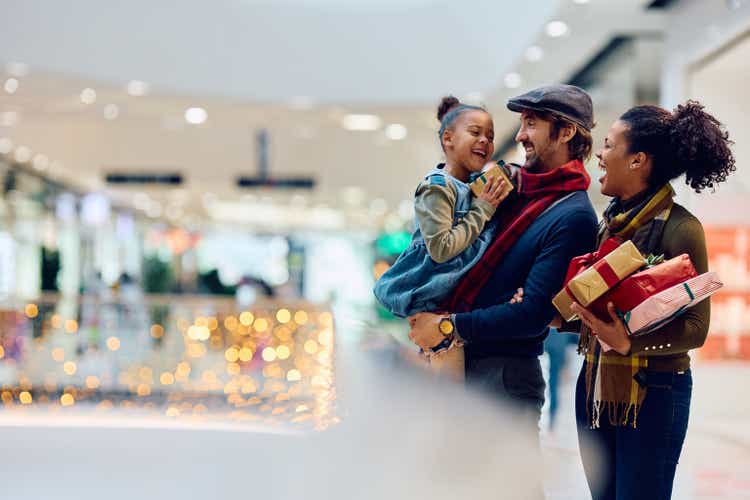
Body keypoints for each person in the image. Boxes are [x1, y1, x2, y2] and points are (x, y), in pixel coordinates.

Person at [408, 84, 599, 498]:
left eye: (532, 123)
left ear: (565, 133)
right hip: (460, 365)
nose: (521, 134)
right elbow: (448, 237)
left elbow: (531, 312)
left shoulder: (574, 215)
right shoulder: (512, 189)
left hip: (504, 378)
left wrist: (447, 326)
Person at [570, 100, 735, 500]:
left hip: (655, 392)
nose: (600, 155)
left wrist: (630, 342)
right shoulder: (607, 222)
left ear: (637, 160)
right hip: (595, 386)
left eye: (608, 145)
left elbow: (697, 328)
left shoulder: (681, 228)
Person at [374, 96, 510, 319]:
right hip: (433, 304)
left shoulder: (475, 186)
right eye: (475, 133)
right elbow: (441, 249)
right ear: (448, 138)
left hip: (461, 303)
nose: (485, 140)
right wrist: (482, 209)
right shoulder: (436, 188)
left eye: (490, 136)